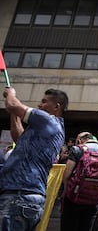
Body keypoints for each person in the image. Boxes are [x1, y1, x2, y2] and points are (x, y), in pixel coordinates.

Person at [0, 87, 69, 231]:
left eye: (44, 102)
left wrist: (11, 94)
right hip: (26, 197)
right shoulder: (47, 129)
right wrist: (14, 114)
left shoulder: (47, 120)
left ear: (56, 106)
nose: (39, 105)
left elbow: (12, 104)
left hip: (19, 194)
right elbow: (19, 138)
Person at [61, 132, 98, 231]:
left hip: (74, 197)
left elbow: (67, 174)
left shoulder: (77, 149)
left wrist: (66, 188)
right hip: (94, 199)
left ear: (80, 140)